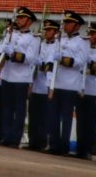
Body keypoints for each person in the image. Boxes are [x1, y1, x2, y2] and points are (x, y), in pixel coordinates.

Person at [46, 10, 88, 155]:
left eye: (68, 23)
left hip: (70, 84)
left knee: (66, 117)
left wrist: (63, 59)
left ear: (76, 25)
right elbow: (51, 59)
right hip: (56, 82)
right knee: (53, 115)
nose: (65, 26)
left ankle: (64, 146)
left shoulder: (83, 42)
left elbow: (81, 62)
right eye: (65, 23)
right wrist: (51, 62)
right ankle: (54, 144)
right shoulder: (59, 40)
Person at [0, 6, 40, 148]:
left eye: (22, 18)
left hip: (21, 77)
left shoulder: (33, 39)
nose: (19, 20)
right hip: (7, 74)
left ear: (29, 21)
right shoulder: (12, 34)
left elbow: (30, 58)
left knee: (19, 109)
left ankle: (15, 138)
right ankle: (6, 135)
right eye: (18, 17)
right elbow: (3, 51)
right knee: (7, 108)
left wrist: (13, 53)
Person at [25, 19, 60, 151]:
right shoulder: (41, 44)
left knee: (44, 116)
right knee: (33, 114)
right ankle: (32, 141)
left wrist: (43, 65)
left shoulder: (58, 46)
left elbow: (51, 66)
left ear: (56, 32)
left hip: (47, 85)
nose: (47, 32)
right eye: (46, 30)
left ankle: (42, 142)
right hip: (36, 83)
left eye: (49, 30)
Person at [74, 23, 96, 159]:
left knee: (90, 122)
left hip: (93, 90)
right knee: (80, 121)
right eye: (90, 34)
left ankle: (89, 149)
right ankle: (80, 148)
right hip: (81, 89)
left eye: (93, 34)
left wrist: (89, 69)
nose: (90, 37)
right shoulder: (83, 49)